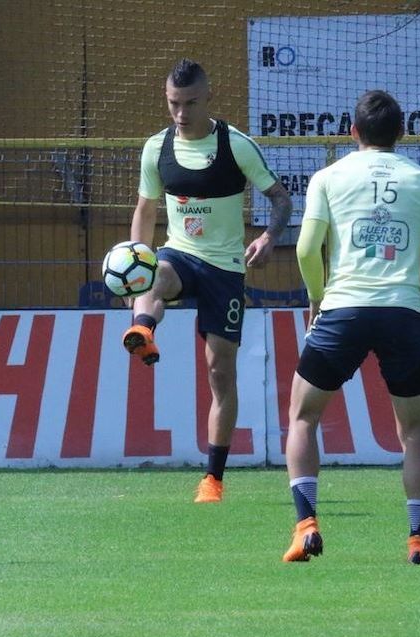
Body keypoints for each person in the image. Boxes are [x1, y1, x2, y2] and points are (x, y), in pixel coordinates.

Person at [281, 90, 420, 564]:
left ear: (353, 132)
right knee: (414, 431)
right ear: (401, 135)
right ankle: (419, 540)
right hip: (403, 315)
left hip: (342, 311)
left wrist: (316, 298)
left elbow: (306, 249)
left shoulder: (327, 176)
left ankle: (305, 527)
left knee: (303, 417)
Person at [124, 58, 292, 503]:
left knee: (220, 372)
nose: (181, 113)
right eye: (174, 103)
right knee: (154, 275)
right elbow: (145, 211)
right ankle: (143, 331)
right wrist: (134, 267)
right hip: (180, 254)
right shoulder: (155, 149)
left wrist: (271, 236)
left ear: (208, 97)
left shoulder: (235, 146)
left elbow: (280, 198)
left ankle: (213, 478)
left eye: (190, 103)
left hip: (225, 269)